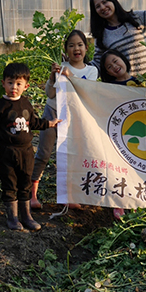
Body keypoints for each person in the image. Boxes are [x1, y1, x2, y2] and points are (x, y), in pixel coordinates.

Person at [0, 62, 60, 231]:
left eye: (18, 84)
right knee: (9, 184)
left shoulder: (26, 103)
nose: (14, 87)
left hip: (26, 151)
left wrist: (50, 123)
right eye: (10, 82)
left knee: (25, 182)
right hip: (6, 151)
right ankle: (12, 218)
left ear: (26, 86)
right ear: (3, 83)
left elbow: (33, 122)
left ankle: (26, 215)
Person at [31, 30, 98, 211]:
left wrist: (71, 75)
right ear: (66, 49)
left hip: (75, 117)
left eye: (79, 45)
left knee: (71, 156)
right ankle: (32, 194)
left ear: (86, 47)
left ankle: (68, 196)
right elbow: (50, 93)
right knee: (44, 153)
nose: (76, 49)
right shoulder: (59, 66)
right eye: (71, 45)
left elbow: (88, 92)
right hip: (53, 112)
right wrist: (53, 76)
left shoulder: (91, 70)